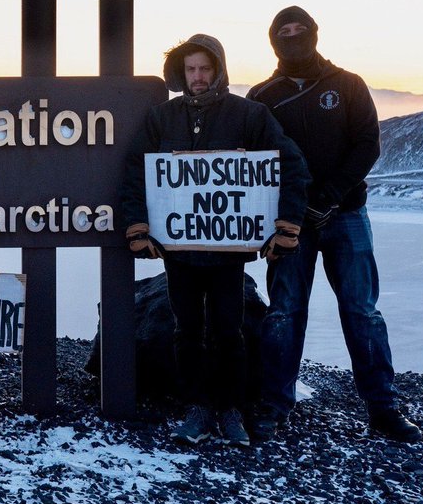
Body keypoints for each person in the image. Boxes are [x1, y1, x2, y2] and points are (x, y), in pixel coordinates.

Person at [121, 33, 309, 447]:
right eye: (190, 69)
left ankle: (230, 409)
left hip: (227, 254)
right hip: (180, 252)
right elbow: (135, 171)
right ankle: (197, 406)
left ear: (219, 70)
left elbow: (291, 164)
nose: (198, 76)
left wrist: (286, 225)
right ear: (181, 72)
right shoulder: (161, 118)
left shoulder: (249, 115)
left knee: (230, 331)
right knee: (185, 331)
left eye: (205, 68)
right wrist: (137, 227)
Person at [247, 6, 422, 443]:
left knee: (362, 311)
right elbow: (251, 160)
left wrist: (329, 197)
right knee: (284, 311)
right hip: (289, 222)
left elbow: (367, 144)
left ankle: (383, 407)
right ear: (273, 40)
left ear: (315, 34)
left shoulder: (348, 85)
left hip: (346, 215)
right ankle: (274, 404)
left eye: (299, 29)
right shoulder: (262, 96)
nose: (292, 37)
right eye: (283, 32)